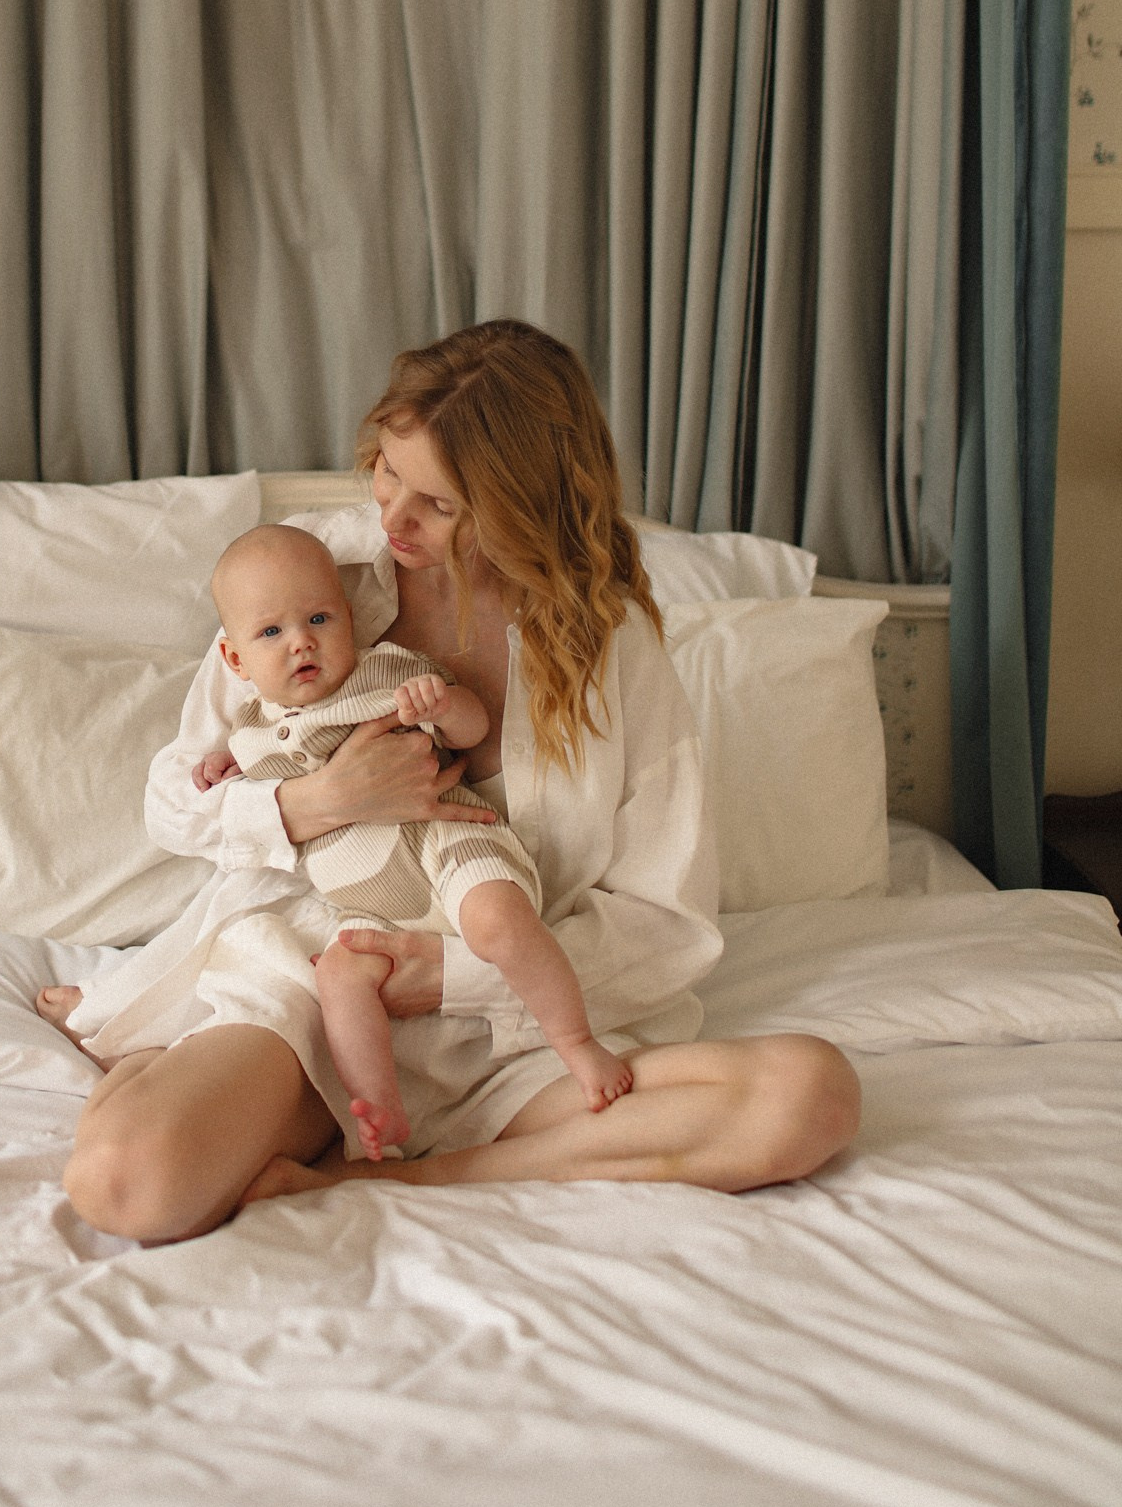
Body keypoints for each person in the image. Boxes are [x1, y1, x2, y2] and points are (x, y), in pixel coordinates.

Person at [45, 321, 861, 1245]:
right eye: (387, 473)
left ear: (523, 508)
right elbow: (173, 800)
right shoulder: (311, 577)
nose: (393, 519)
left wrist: (453, 976)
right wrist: (322, 802)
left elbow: (665, 923)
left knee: (811, 1096)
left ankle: (396, 1177)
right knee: (123, 1183)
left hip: (518, 1025)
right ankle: (222, 1080)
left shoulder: (610, 647)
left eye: (438, 503)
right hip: (324, 983)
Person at [150, 522, 634, 1161]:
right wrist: (222, 769)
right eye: (271, 633)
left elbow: (471, 729)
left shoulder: (385, 671)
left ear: (348, 619)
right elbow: (201, 799)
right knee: (339, 978)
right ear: (235, 661)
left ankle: (575, 1042)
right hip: (368, 904)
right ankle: (377, 1106)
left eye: (319, 619)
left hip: (447, 848)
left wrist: (443, 705)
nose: (301, 642)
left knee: (498, 924)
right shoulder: (249, 730)